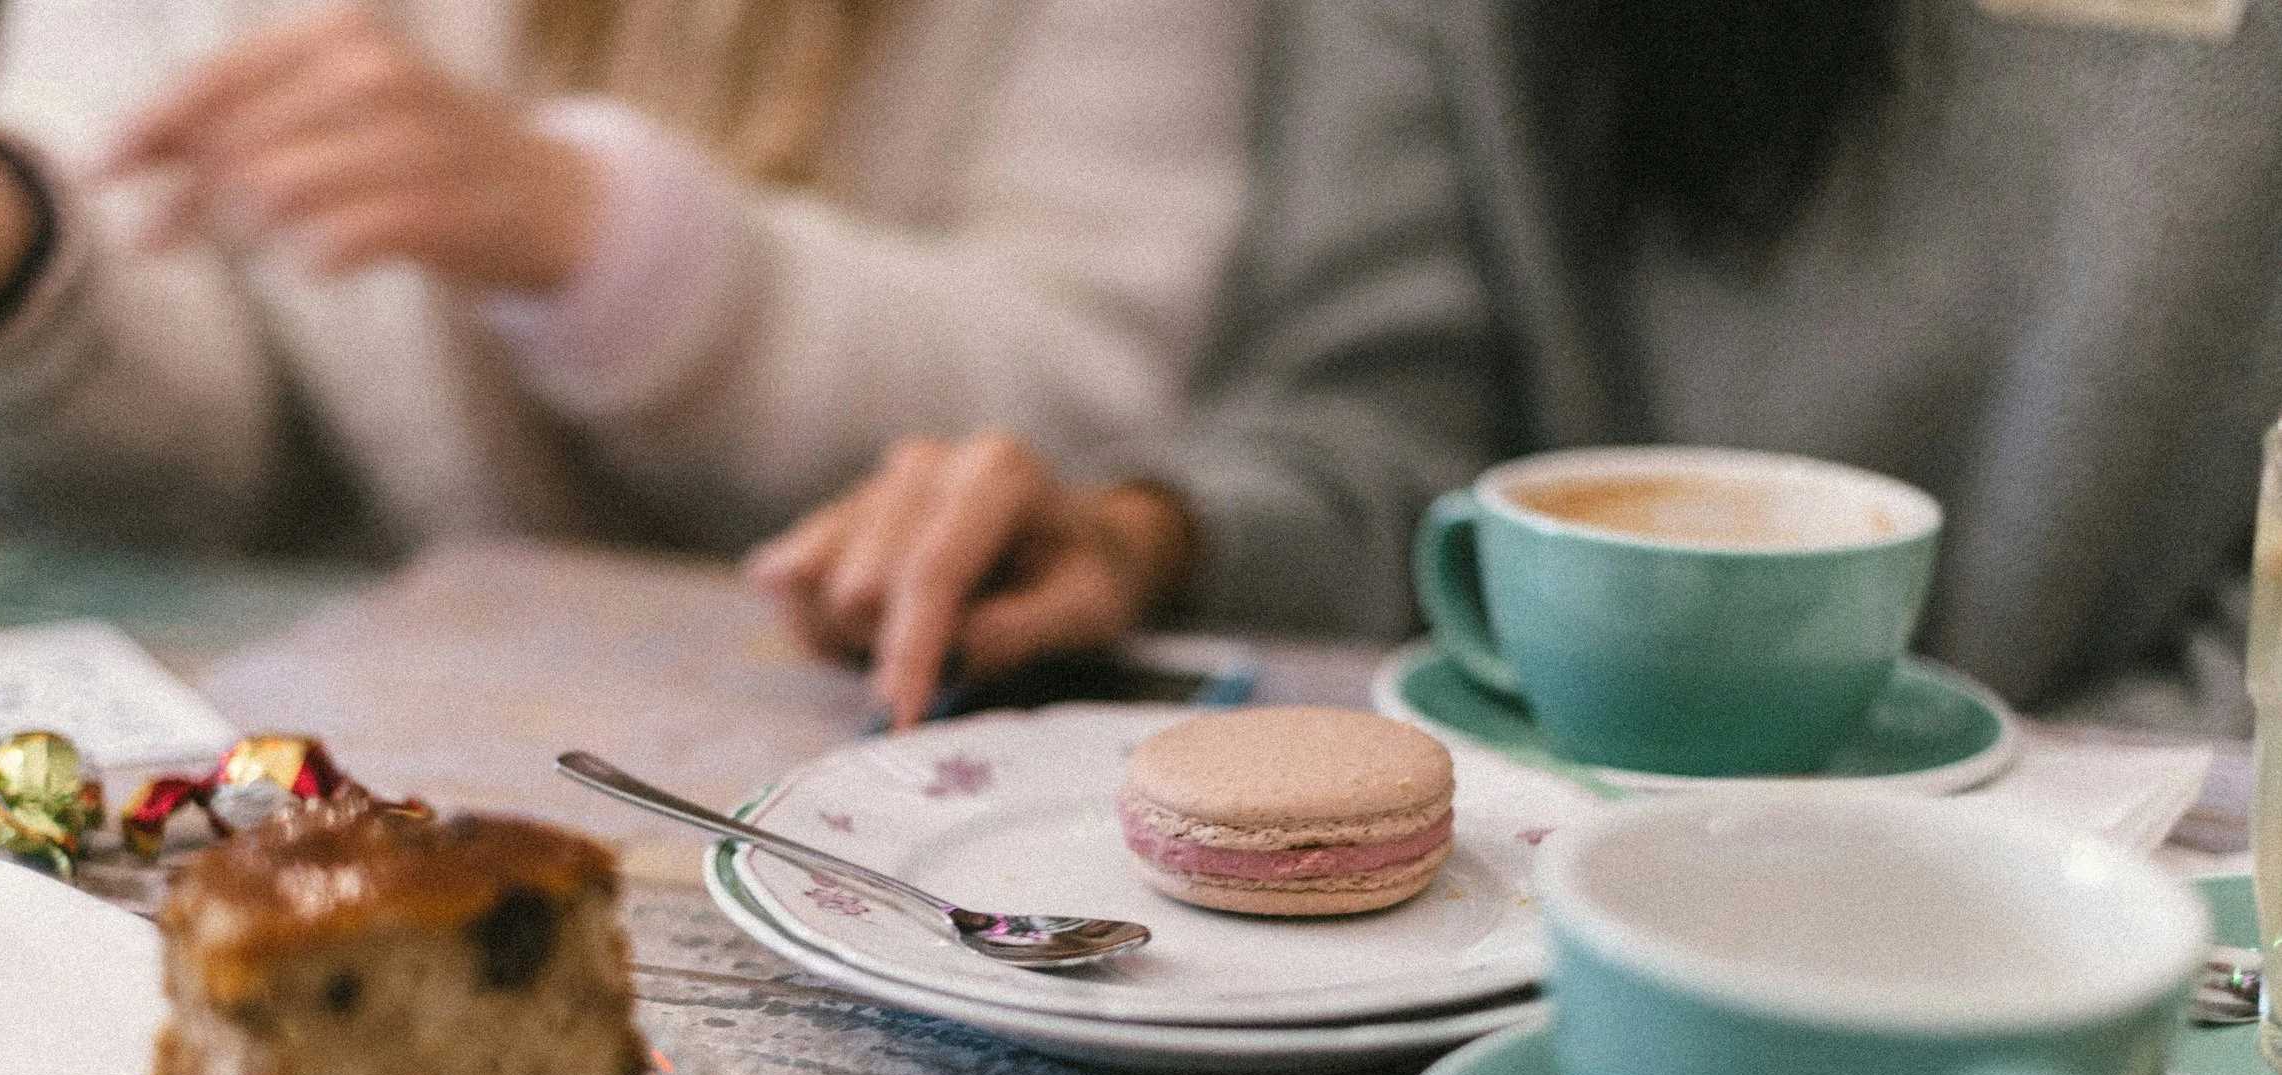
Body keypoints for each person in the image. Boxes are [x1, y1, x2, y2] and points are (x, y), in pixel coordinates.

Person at [756, 0, 2282, 734]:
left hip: (2139, 916)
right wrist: (1145, 535)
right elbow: (1385, 420)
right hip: (1554, 876)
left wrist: (1979, 842)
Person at [0, 0, 1251, 555]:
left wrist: (608, 244)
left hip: (917, 795)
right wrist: (9, 265)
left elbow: (1106, 409)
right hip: (349, 758)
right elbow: (220, 448)